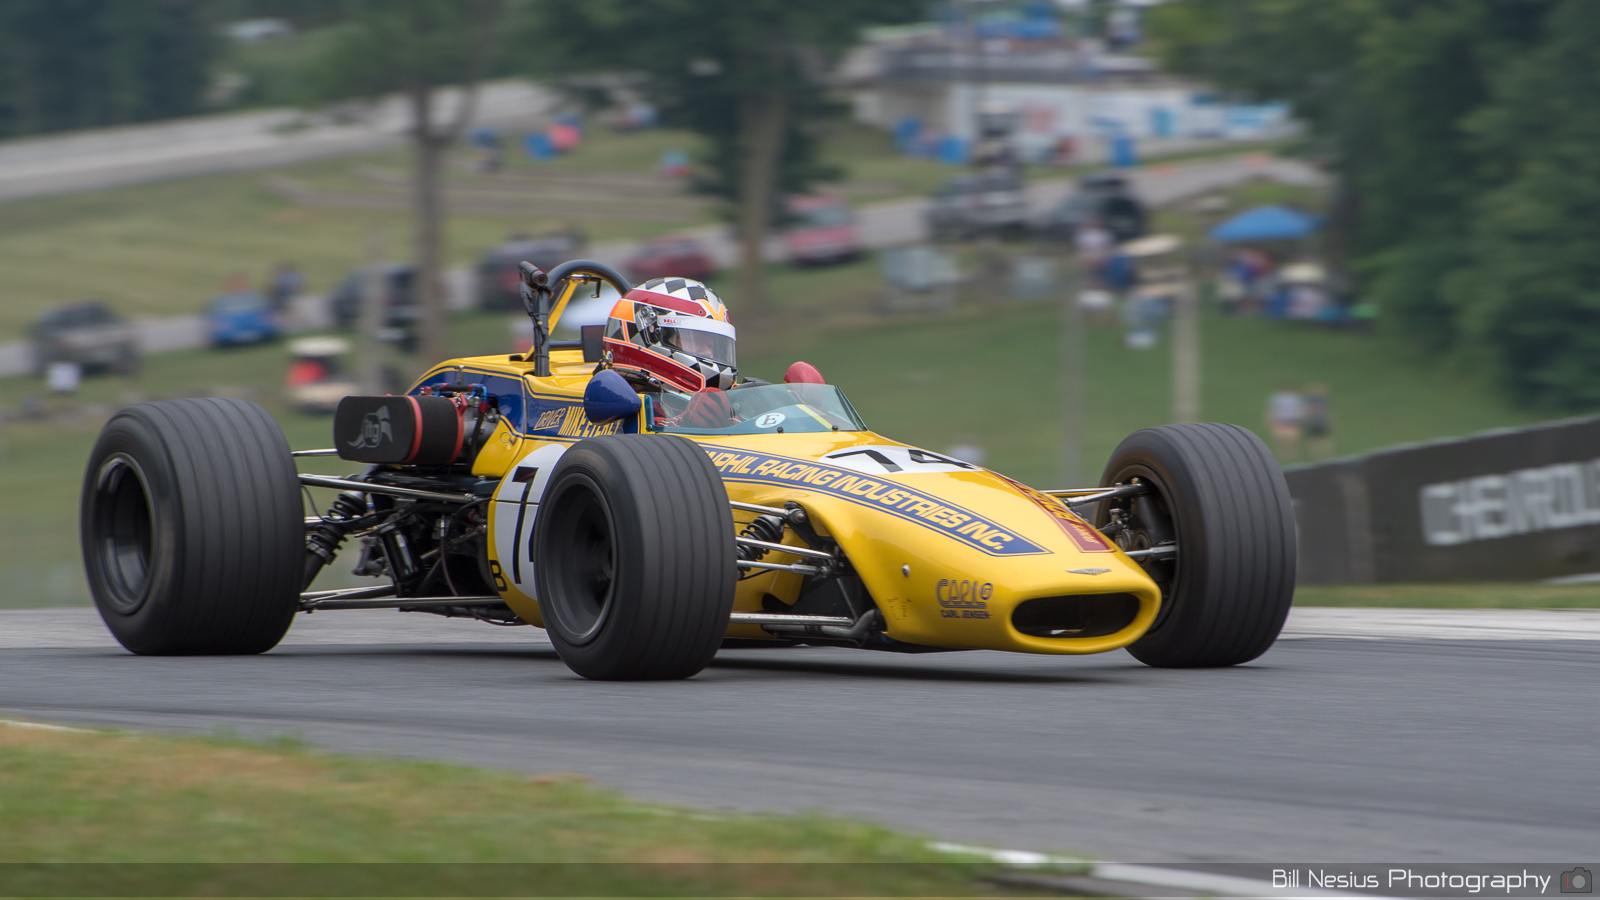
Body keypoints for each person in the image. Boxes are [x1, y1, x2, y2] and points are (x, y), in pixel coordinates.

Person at [602, 277, 737, 394]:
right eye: (692, 340)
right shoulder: (619, 407)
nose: (708, 351)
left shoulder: (725, 403)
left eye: (712, 343)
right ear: (649, 337)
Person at [1265, 385, 1304, 461]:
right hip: (1281, 420)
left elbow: (1301, 410)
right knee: (1280, 439)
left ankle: (1292, 454)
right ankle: (1281, 454)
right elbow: (1272, 410)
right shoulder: (1277, 398)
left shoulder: (1296, 398)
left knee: (1292, 439)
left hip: (1292, 420)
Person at [1302, 383, 1334, 458]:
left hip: (1322, 422)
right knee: (1313, 438)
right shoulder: (1309, 400)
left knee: (1324, 437)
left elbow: (1329, 411)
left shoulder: (1324, 400)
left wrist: (1330, 420)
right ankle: (1314, 453)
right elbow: (1306, 411)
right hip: (1313, 422)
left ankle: (1326, 453)